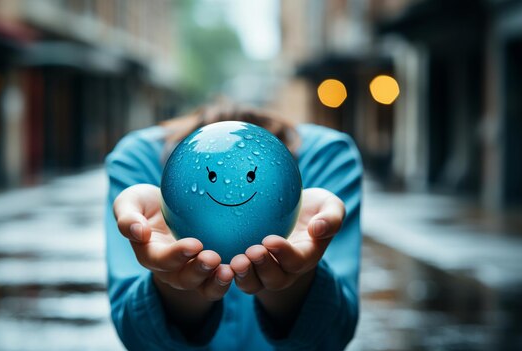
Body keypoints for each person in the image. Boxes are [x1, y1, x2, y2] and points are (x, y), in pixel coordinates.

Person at [105, 103, 362, 350]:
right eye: (215, 175)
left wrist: (296, 280)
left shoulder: (327, 154)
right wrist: (176, 283)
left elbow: (334, 335)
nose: (230, 187)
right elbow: (137, 337)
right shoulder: (139, 156)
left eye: (251, 174)